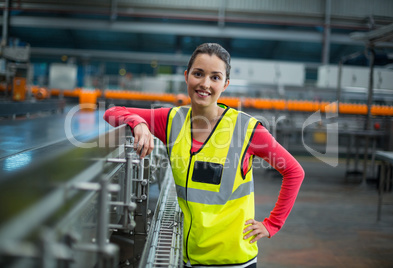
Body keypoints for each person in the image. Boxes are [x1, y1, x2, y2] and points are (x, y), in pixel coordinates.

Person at [104, 43, 304, 267]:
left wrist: (272, 224)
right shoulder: (171, 120)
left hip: (234, 260)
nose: (205, 84)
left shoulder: (245, 129)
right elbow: (112, 112)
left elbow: (294, 171)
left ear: (225, 84)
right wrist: (138, 123)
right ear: (187, 76)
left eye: (215, 77)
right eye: (198, 74)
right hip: (190, 257)